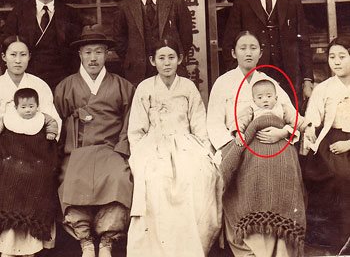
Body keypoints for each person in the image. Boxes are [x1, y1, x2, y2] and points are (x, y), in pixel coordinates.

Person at [207, 31, 306, 257]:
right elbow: (213, 123)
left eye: (253, 48)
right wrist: (233, 144)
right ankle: (252, 245)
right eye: (243, 48)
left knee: (284, 169)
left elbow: (292, 115)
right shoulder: (223, 83)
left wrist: (282, 133)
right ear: (233, 53)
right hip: (241, 144)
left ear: (261, 53)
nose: (248, 53)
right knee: (250, 173)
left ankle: (281, 245)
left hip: (276, 140)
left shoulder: (270, 82)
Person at [127, 37, 222, 257]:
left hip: (186, 144)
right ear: (152, 61)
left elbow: (199, 124)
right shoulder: (144, 88)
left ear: (179, 59)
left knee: (197, 177)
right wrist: (142, 155)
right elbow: (136, 130)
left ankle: (189, 248)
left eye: (171, 57)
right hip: (154, 145)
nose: (167, 63)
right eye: (161, 58)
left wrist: (205, 152)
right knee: (156, 182)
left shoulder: (187, 87)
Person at [54, 24, 134, 257]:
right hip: (76, 151)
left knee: (119, 178)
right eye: (88, 52)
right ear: (80, 54)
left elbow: (130, 122)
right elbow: (57, 122)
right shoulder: (66, 86)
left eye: (98, 52)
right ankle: (85, 239)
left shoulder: (121, 86)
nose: (93, 58)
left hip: (111, 150)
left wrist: (121, 150)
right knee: (71, 178)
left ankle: (108, 239)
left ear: (107, 54)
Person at [222, 0, 313, 103]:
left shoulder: (292, 1)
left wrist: (307, 79)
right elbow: (229, 43)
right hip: (253, 74)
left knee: (291, 118)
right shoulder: (242, 3)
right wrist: (237, 76)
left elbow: (303, 42)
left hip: (289, 75)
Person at [0, 36, 60, 257]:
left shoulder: (39, 85)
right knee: (9, 172)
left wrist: (47, 135)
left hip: (36, 148)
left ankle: (30, 245)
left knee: (39, 173)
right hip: (6, 149)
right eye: (13, 55)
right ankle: (6, 246)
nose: (18, 60)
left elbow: (52, 119)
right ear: (4, 57)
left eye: (23, 55)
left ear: (29, 58)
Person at [113, 0, 193, 86]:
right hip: (137, 74)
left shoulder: (175, 2)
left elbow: (186, 39)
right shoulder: (124, 6)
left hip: (172, 71)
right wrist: (132, 60)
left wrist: (172, 61)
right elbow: (119, 42)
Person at [302, 35, 350, 252]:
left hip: (348, 143)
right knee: (336, 176)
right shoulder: (324, 88)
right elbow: (313, 114)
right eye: (332, 57)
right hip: (332, 140)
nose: (336, 62)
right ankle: (335, 240)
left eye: (342, 56)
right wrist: (311, 126)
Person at [3, 0, 82, 91]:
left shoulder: (70, 14)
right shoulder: (19, 12)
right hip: (27, 80)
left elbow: (76, 53)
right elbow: (6, 47)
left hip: (62, 81)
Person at [233, 79, 302, 146]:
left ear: (276, 98)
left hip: (280, 140)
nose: (265, 100)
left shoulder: (282, 108)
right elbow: (240, 121)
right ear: (254, 101)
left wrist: (307, 127)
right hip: (257, 142)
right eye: (260, 98)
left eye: (269, 96)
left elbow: (296, 120)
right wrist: (238, 133)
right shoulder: (251, 110)